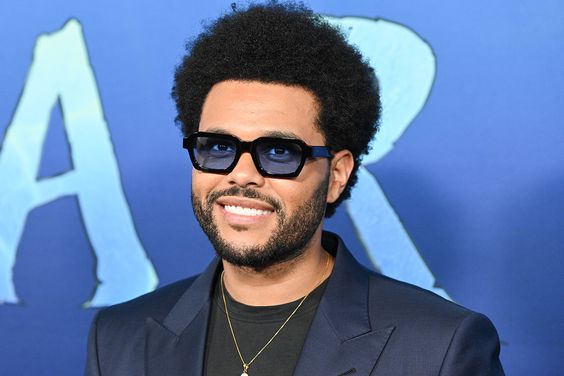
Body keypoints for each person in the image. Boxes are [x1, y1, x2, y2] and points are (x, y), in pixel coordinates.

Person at [85, 2, 504, 375]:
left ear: (336, 175)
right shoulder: (118, 338)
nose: (242, 174)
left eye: (279, 152)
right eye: (218, 147)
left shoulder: (441, 347)